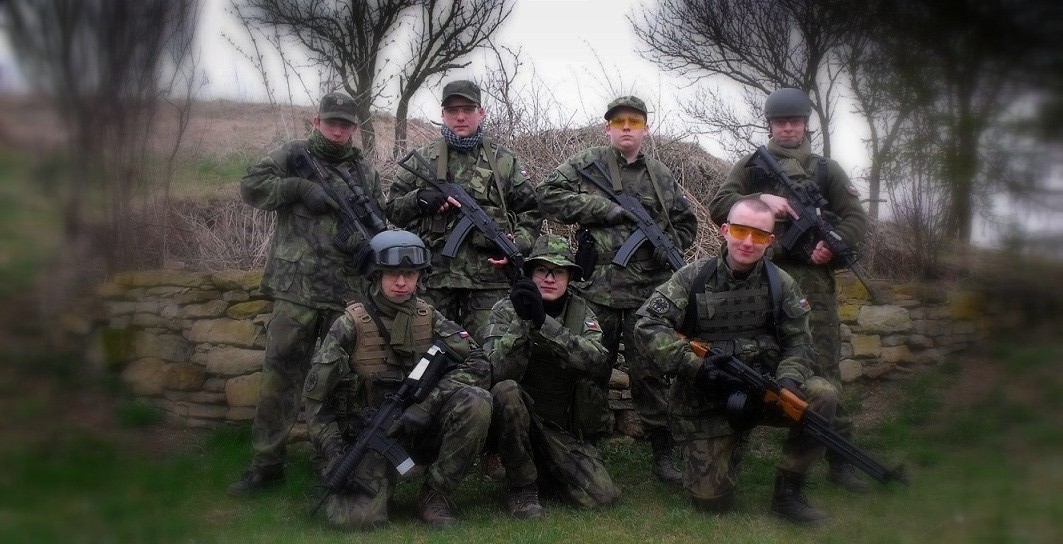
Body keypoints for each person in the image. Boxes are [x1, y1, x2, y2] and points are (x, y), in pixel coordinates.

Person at [633, 197, 841, 523]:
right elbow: (648, 325)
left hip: (766, 389)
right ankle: (730, 445)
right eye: (741, 231)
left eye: (759, 235)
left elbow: (800, 341)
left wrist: (788, 380)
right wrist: (696, 367)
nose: (748, 242)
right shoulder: (692, 278)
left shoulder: (782, 284)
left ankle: (788, 491)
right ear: (725, 230)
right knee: (711, 501)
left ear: (770, 241)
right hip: (708, 397)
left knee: (822, 395)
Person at [707, 88, 870, 493]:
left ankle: (840, 460)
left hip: (813, 284)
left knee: (826, 368)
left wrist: (832, 243)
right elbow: (720, 204)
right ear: (770, 125)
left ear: (805, 124)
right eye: (781, 121)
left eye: (794, 121)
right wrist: (760, 197)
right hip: (764, 279)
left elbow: (854, 217)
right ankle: (730, 444)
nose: (788, 128)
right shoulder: (752, 165)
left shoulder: (825, 170)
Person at [229, 91, 387, 497]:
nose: (338, 130)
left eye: (345, 125)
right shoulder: (292, 155)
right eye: (331, 122)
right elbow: (250, 187)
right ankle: (267, 465)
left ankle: (337, 463)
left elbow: (378, 223)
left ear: (354, 128)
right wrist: (298, 189)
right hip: (295, 291)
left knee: (343, 385)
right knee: (279, 379)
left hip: (345, 296)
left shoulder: (365, 172)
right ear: (316, 121)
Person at [537, 95, 698, 484]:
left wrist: (665, 245)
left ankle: (662, 453)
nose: (627, 127)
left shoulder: (660, 175)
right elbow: (546, 195)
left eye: (635, 122)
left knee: (651, 372)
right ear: (607, 128)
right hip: (598, 290)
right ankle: (584, 445)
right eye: (619, 122)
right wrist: (603, 210)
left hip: (648, 294)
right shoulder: (587, 163)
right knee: (591, 370)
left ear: (645, 129)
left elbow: (687, 223)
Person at [302, 229, 492, 530]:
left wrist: (428, 404)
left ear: (419, 277)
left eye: (409, 274)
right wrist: (334, 453)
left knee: (477, 402)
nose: (402, 282)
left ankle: (435, 494)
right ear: (376, 275)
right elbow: (316, 401)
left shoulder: (429, 317)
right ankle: (377, 483)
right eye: (393, 274)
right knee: (354, 520)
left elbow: (480, 362)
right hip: (373, 435)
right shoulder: (350, 325)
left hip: (420, 428)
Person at [386, 79, 541, 343]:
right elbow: (391, 209)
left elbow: (531, 211)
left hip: (488, 281)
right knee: (427, 350)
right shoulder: (423, 159)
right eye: (452, 110)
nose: (460, 117)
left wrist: (518, 244)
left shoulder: (504, 161)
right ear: (442, 114)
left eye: (467, 109)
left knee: (489, 352)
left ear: (481, 112)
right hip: (433, 278)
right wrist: (419, 199)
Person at [481, 234, 621, 519]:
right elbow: (494, 369)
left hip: (560, 430)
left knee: (602, 495)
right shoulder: (506, 309)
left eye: (558, 272)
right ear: (530, 274)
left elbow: (596, 361)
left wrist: (543, 323)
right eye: (542, 270)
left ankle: (543, 471)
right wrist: (523, 322)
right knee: (506, 390)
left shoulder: (582, 313)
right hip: (517, 420)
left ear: (570, 278)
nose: (549, 278)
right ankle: (522, 488)